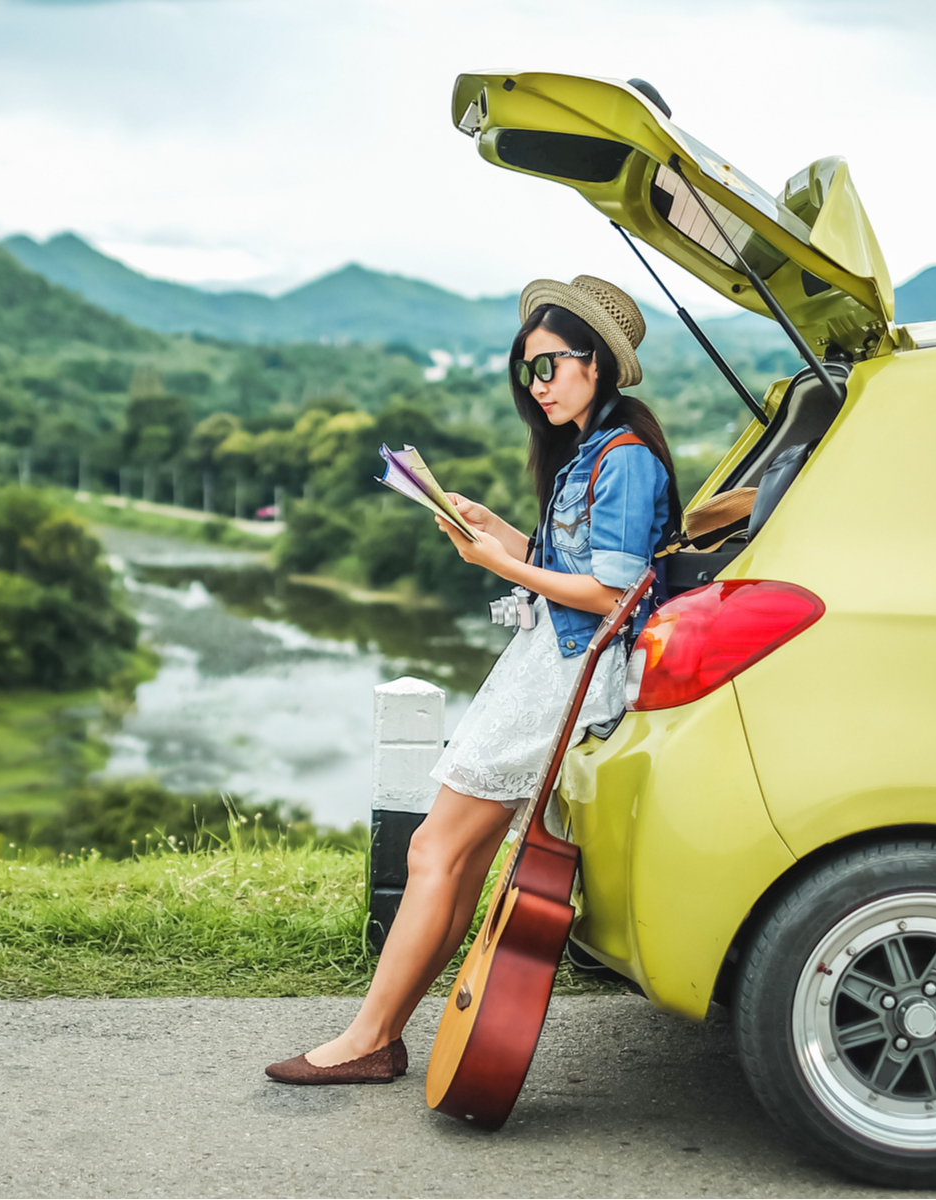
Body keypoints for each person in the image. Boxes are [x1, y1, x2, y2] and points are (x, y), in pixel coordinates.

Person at [265, 275, 681, 1085]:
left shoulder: (625, 461)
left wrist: (500, 561)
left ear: (597, 362)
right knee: (454, 855)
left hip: (566, 672)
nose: (540, 385)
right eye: (530, 371)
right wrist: (501, 534)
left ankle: (370, 1037)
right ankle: (377, 1034)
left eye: (553, 365)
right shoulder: (592, 452)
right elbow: (572, 568)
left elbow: (614, 596)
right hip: (549, 663)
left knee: (435, 849)